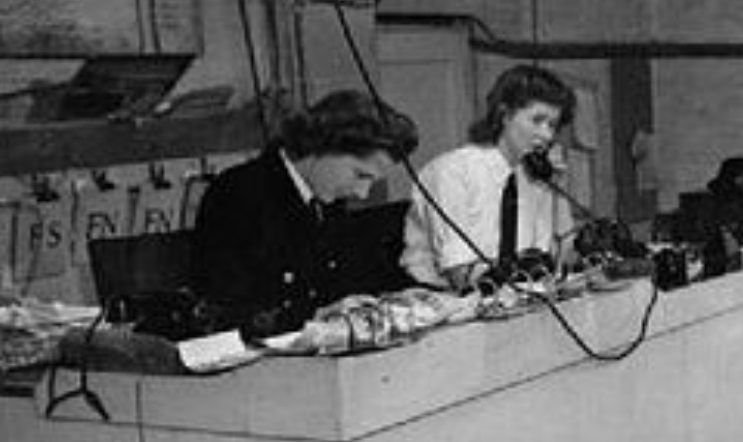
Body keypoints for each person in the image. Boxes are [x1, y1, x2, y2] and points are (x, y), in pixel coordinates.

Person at [192, 90, 418, 336]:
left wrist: (408, 296)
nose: (362, 193)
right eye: (360, 175)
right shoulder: (239, 193)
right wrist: (310, 316)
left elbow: (351, 274)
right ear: (323, 145)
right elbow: (227, 308)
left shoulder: (323, 196)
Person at [401, 64, 580, 289]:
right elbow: (461, 274)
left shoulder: (533, 177)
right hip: (444, 299)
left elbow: (562, 260)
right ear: (505, 115)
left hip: (514, 295)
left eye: (552, 125)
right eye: (537, 120)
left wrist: (557, 185)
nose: (546, 135)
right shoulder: (451, 173)